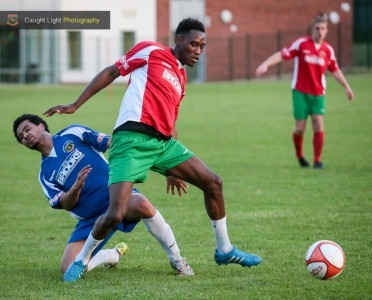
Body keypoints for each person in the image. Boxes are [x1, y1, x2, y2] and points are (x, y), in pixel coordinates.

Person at [43, 18, 262, 282]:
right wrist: (75, 104)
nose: (198, 50)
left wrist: (172, 170)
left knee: (213, 182)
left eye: (202, 46)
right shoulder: (151, 51)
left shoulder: (181, 77)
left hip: (163, 144)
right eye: (193, 43)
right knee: (115, 213)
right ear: (178, 40)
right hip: (131, 140)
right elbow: (112, 72)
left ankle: (225, 250)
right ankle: (81, 260)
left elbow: (171, 120)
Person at [13, 114, 194, 281]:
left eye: (27, 130)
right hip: (90, 220)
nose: (25, 136)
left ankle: (177, 259)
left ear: (41, 126)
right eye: (21, 137)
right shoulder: (45, 175)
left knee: (143, 205)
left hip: (115, 196)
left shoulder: (72, 133)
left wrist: (168, 168)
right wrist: (76, 187)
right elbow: (66, 204)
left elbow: (113, 143)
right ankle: (110, 255)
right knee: (67, 269)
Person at [255, 13, 354, 169]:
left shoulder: (328, 50)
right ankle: (300, 156)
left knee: (318, 125)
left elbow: (335, 70)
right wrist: (265, 64)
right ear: (312, 29)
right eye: (317, 28)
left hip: (318, 93)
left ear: (327, 30)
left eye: (323, 29)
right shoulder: (301, 44)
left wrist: (347, 86)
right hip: (300, 92)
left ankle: (317, 160)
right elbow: (282, 54)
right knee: (300, 129)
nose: (320, 32)